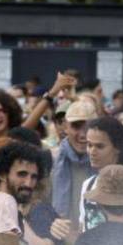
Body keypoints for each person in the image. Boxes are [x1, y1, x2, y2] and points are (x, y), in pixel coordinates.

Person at [49, 98, 98, 237]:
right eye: (76, 126)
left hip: (94, 242)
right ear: (66, 127)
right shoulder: (51, 160)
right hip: (58, 241)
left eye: (88, 127)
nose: (83, 134)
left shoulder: (106, 163)